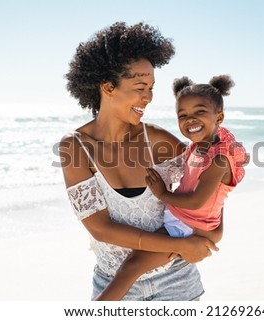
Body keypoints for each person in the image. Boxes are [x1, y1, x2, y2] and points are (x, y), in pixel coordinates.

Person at [59, 22, 221, 301]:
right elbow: (101, 228)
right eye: (140, 87)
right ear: (108, 87)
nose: (148, 98)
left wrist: (206, 235)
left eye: (151, 88)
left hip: (176, 279)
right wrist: (175, 246)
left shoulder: (158, 141)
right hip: (113, 283)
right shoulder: (76, 148)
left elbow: (210, 186)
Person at [96, 75, 249, 301]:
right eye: (183, 115)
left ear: (219, 117)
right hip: (187, 221)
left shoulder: (218, 158)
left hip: (189, 226)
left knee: (131, 268)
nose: (190, 119)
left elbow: (197, 201)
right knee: (132, 266)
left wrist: (163, 194)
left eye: (199, 112)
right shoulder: (198, 147)